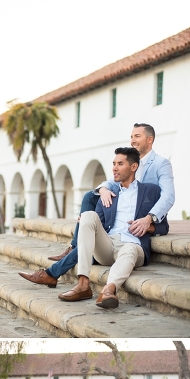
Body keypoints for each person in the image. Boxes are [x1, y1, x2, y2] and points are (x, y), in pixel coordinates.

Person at [19, 123, 174, 289]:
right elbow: (113, 180)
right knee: (89, 199)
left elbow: (168, 196)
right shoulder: (124, 165)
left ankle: (55, 273)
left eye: (137, 136)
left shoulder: (160, 164)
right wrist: (104, 190)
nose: (132, 140)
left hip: (143, 215)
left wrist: (149, 219)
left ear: (150, 139)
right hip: (117, 219)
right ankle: (74, 246)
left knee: (110, 245)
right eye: (131, 136)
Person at [57, 146, 169, 308]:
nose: (114, 168)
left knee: (130, 248)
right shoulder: (109, 194)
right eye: (114, 163)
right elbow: (98, 224)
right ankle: (82, 285)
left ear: (133, 167)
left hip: (133, 245)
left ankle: (109, 290)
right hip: (108, 245)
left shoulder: (151, 191)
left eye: (120, 164)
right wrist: (86, 222)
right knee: (88, 215)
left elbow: (164, 227)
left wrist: (147, 227)